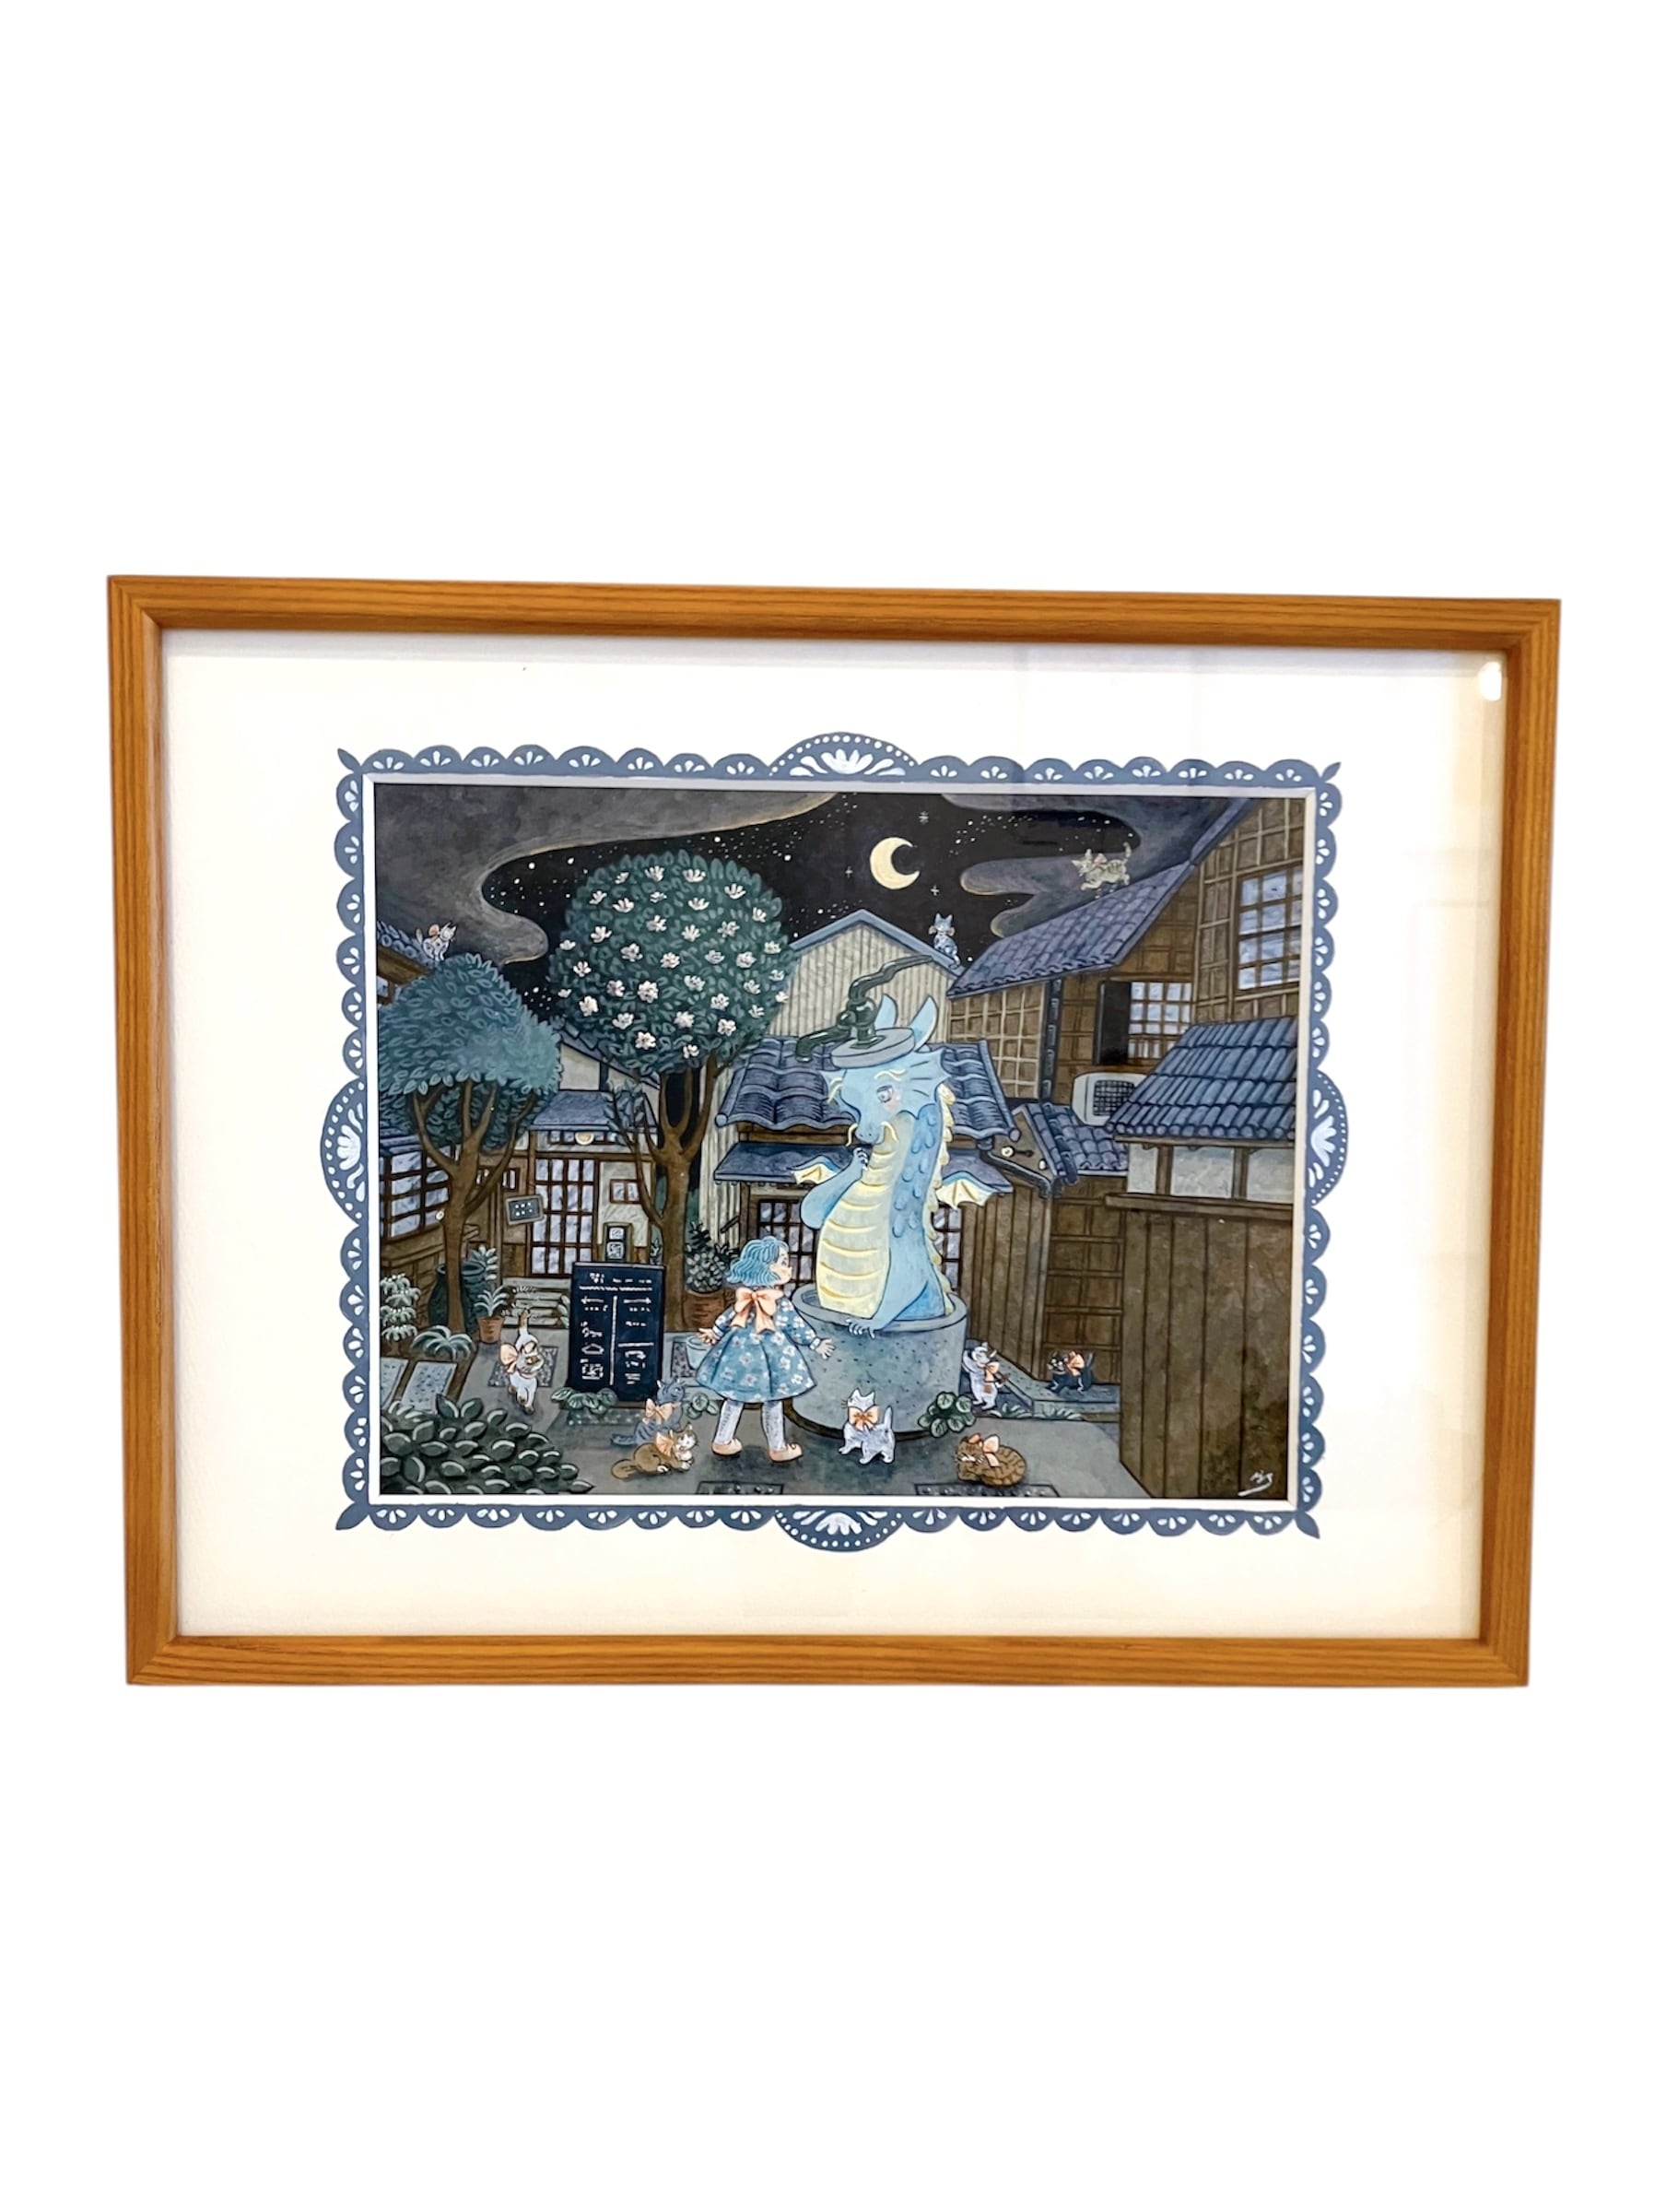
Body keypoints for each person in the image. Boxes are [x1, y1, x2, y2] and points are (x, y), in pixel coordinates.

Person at [697, 1236, 832, 1463]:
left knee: (738, 1398)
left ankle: (725, 1441)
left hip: (746, 1357)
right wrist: (815, 1343)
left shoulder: (767, 1300)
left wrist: (814, 1342)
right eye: (783, 1262)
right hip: (765, 1359)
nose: (789, 1267)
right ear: (765, 1268)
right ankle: (773, 1447)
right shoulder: (768, 1302)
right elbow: (794, 1326)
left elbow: (730, 1317)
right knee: (766, 1401)